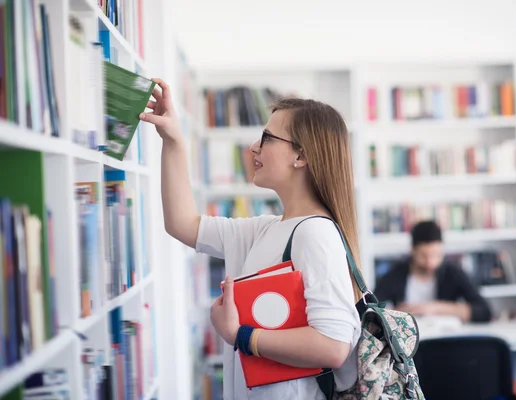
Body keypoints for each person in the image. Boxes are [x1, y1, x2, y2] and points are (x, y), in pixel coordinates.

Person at [140, 79, 362, 400]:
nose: (253, 147)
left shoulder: (315, 234)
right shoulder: (266, 229)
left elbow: (334, 345)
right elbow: (182, 224)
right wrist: (173, 139)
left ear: (301, 155)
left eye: (267, 138)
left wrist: (239, 335)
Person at [373, 220, 492, 323]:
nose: (431, 262)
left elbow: (484, 311)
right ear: (412, 250)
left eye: (437, 255)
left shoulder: (453, 273)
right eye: (424, 256)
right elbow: (372, 309)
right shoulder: (395, 275)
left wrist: (433, 308)